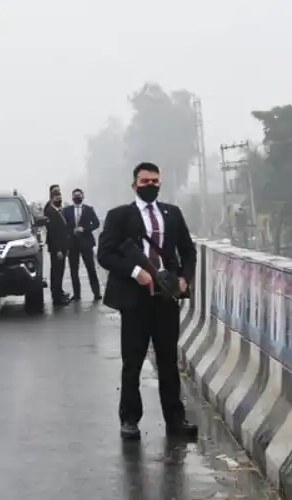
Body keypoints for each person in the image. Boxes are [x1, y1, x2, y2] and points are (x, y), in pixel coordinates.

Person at [97, 162, 197, 441]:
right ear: (134, 185)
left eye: (155, 181)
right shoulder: (119, 216)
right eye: (144, 181)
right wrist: (135, 272)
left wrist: (184, 279)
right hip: (134, 299)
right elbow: (104, 255)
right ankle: (129, 419)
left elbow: (188, 251)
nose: (150, 185)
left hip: (166, 297)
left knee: (168, 360)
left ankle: (175, 420)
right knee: (133, 361)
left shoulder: (172, 214)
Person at [63, 188, 102, 302]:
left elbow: (96, 223)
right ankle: (77, 294)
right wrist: (71, 232)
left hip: (86, 243)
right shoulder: (67, 210)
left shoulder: (88, 209)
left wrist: (84, 229)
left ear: (82, 197)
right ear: (72, 197)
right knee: (74, 270)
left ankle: (96, 293)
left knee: (91, 269)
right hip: (72, 244)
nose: (77, 197)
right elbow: (64, 226)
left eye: (79, 195)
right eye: (75, 195)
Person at [44, 185, 71, 306]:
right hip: (57, 248)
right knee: (56, 273)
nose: (58, 196)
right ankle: (57, 298)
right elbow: (53, 233)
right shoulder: (50, 210)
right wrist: (59, 249)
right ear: (51, 195)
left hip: (63, 246)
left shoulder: (58, 208)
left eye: (59, 193)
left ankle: (59, 293)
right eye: (56, 194)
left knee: (60, 272)